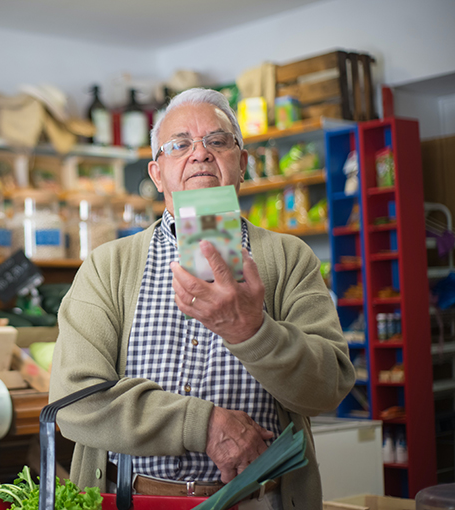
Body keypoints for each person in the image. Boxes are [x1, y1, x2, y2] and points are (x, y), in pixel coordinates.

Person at [48, 88, 355, 510]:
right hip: (133, 500)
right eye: (180, 145)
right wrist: (203, 424)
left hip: (260, 500)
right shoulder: (107, 265)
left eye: (218, 140)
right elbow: (74, 401)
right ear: (157, 174)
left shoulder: (288, 258)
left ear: (242, 164)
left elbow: (326, 390)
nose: (201, 154)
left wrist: (253, 332)